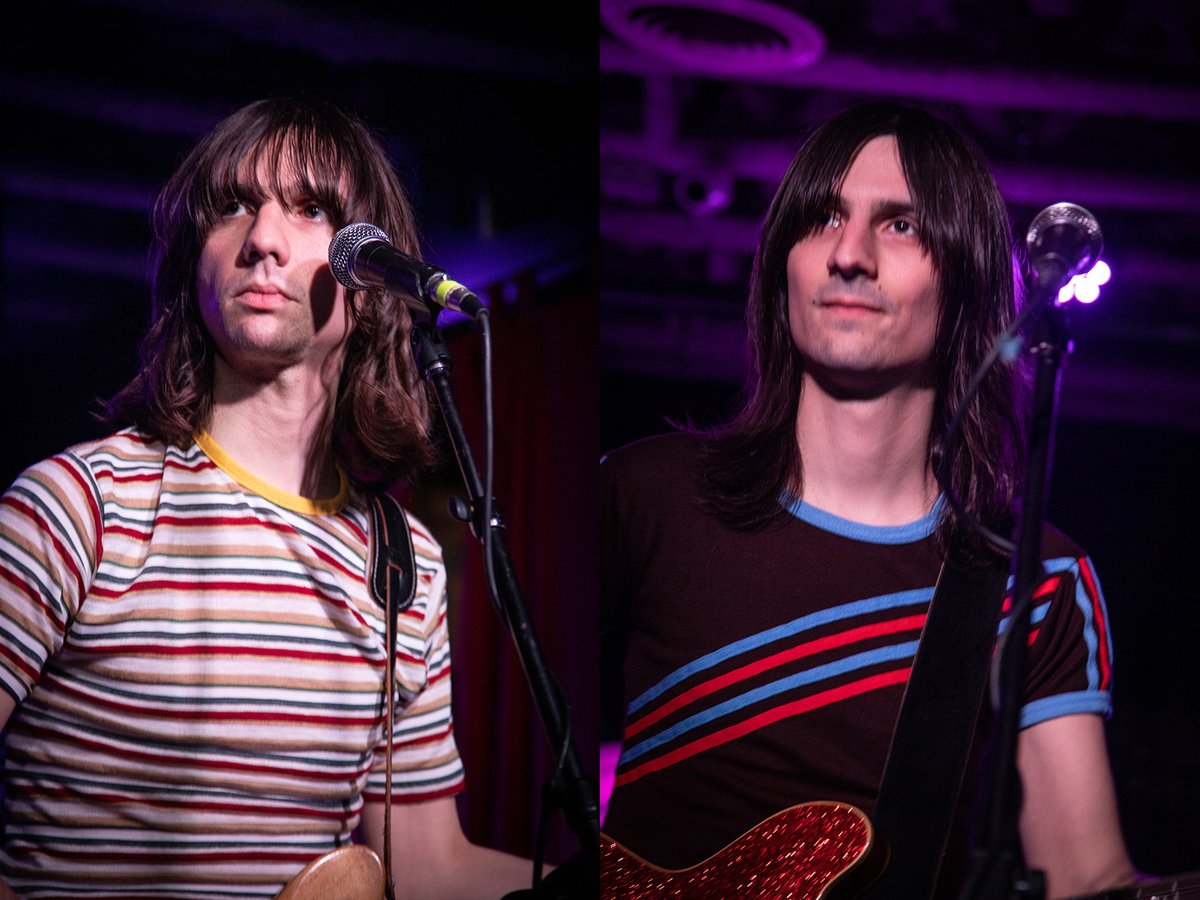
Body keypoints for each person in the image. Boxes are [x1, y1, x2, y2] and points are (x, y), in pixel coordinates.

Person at [0, 97, 538, 898]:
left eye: (312, 210)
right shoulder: (77, 507)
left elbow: (430, 868)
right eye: (234, 208)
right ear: (197, 259)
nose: (262, 239)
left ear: (370, 277)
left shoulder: (404, 564)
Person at [600, 102, 1137, 898]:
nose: (847, 255)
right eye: (821, 218)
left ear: (968, 285)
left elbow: (1087, 881)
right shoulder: (643, 493)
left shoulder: (1037, 580)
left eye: (902, 227)